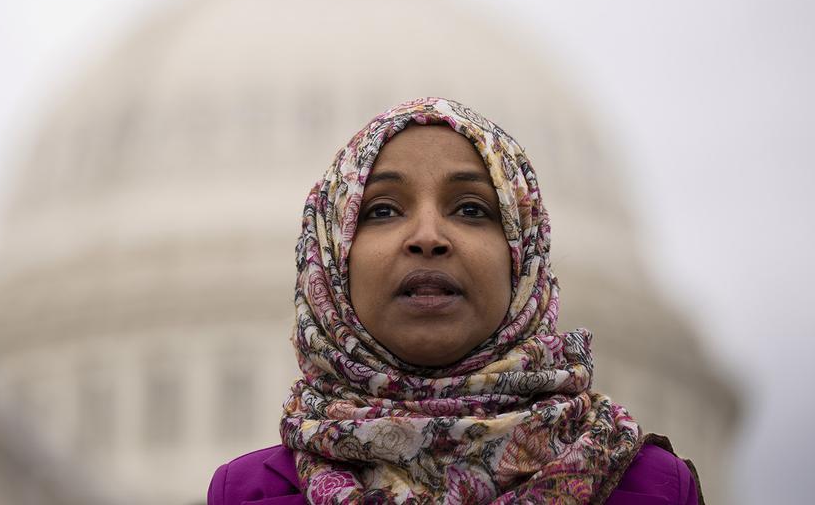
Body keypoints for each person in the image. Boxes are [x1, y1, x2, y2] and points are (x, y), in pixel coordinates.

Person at [208, 98, 703, 504]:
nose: (428, 237)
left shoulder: (650, 489)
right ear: (333, 263)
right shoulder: (250, 494)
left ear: (523, 259)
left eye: (471, 209)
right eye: (381, 210)